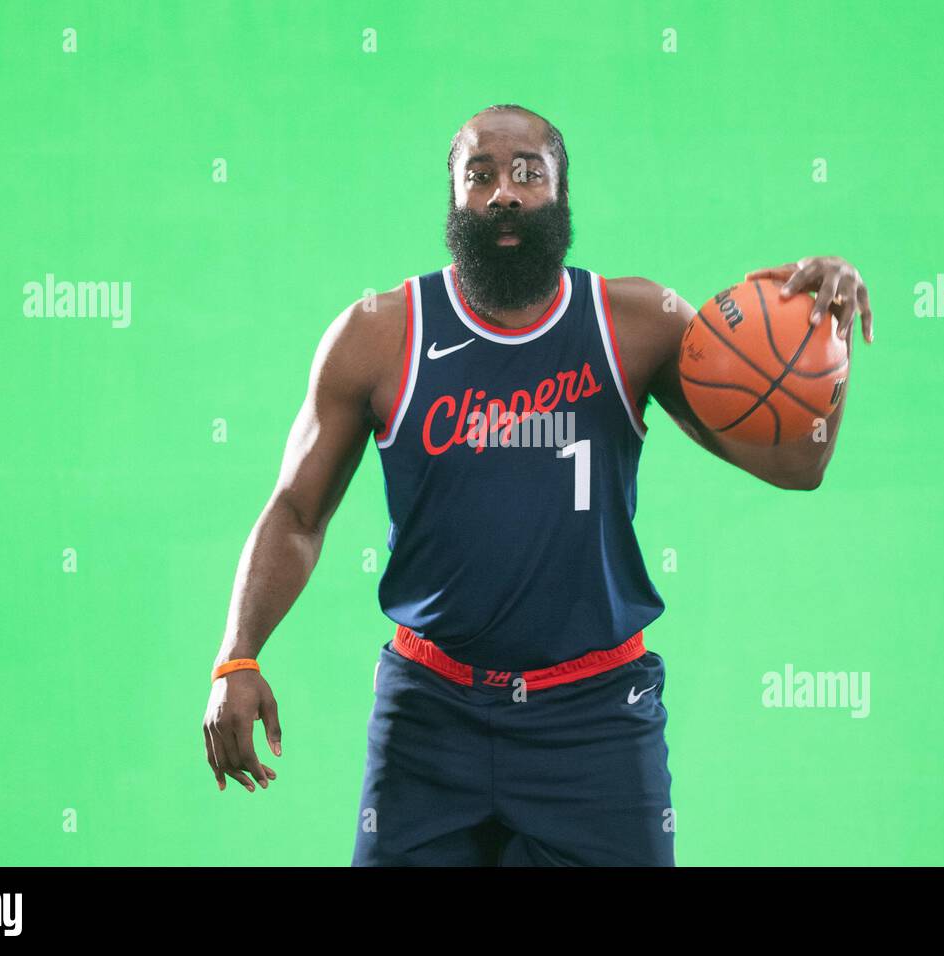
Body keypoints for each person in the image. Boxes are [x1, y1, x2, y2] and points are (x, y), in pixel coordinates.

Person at [202, 103, 874, 866]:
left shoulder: (637, 323)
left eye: (528, 172)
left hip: (595, 718)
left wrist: (828, 340)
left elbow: (797, 466)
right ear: (453, 199)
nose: (504, 193)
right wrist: (237, 656)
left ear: (561, 192)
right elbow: (296, 511)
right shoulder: (380, 333)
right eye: (479, 175)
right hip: (430, 712)